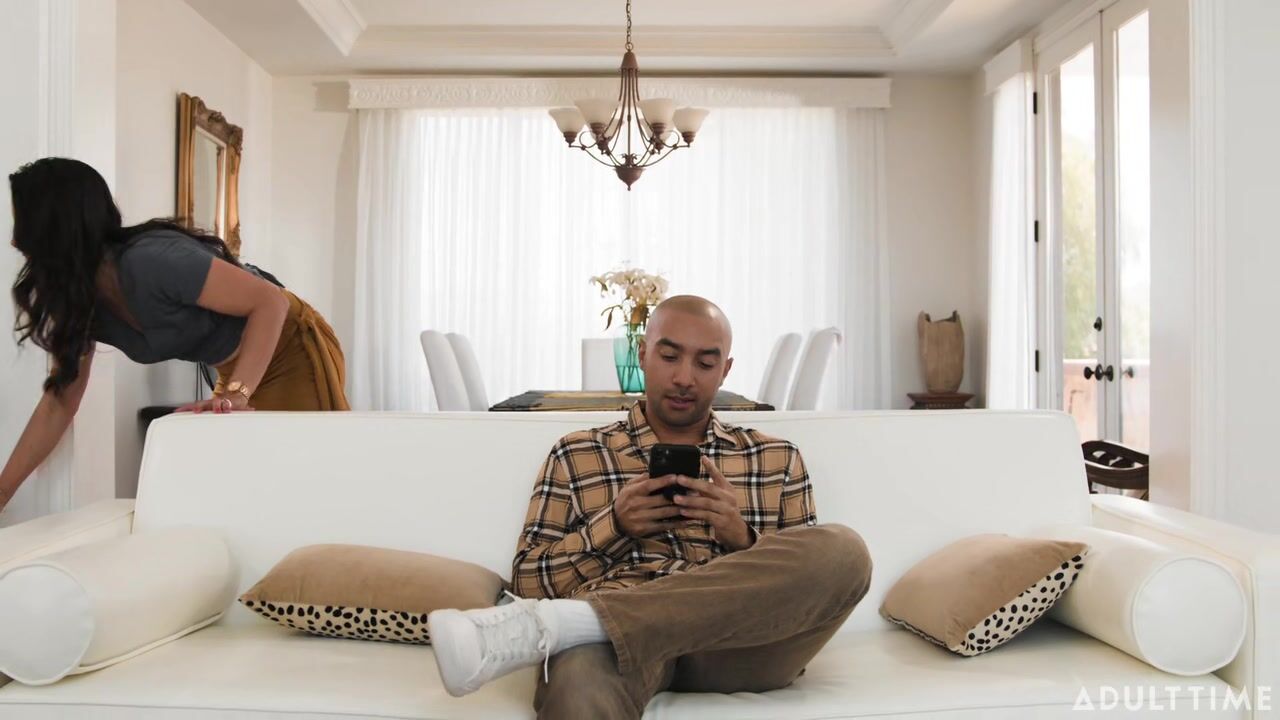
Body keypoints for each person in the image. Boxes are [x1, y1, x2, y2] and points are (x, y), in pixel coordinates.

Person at [428, 295, 872, 718]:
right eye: (670, 356)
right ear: (642, 354)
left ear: (725, 370)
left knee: (845, 550)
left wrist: (741, 538)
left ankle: (580, 622)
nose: (684, 378)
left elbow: (814, 589)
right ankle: (593, 626)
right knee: (578, 686)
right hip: (616, 651)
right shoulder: (576, 452)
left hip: (742, 645)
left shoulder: (776, 457)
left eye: (705, 363)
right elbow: (528, 582)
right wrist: (614, 526)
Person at [0, 158, 348, 514]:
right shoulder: (81, 303)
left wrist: (236, 394)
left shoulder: (150, 261)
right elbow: (59, 402)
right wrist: (3, 491)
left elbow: (270, 303)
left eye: (23, 223)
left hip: (288, 344)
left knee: (300, 484)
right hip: (236, 366)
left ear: (53, 226)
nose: (14, 239)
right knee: (242, 490)